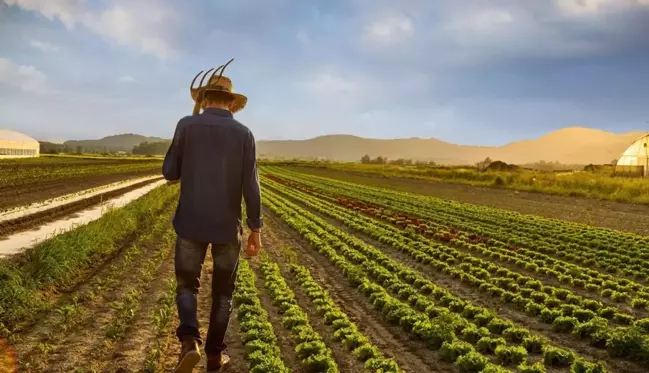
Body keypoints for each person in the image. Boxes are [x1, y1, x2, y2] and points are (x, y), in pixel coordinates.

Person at [162, 66, 262, 373]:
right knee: (223, 293)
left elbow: (169, 172)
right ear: (231, 103)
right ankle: (215, 356)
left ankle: (189, 342)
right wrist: (255, 229)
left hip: (190, 222)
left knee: (186, 286)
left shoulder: (186, 125)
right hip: (225, 228)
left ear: (204, 99)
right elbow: (251, 186)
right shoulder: (244, 133)